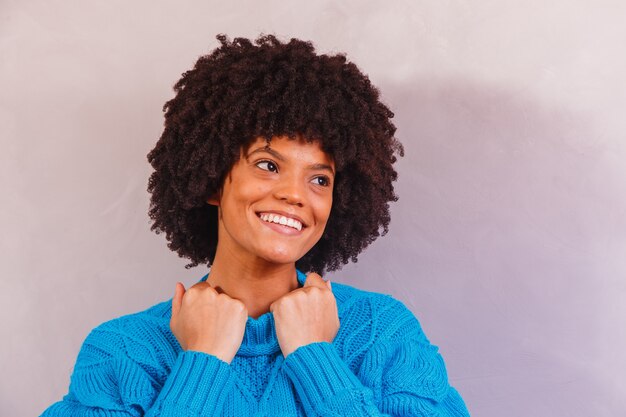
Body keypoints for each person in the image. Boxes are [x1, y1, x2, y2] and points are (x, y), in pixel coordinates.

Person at [41, 34, 471, 416]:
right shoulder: (123, 352)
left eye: (319, 179)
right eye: (268, 165)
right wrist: (202, 362)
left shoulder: (382, 334)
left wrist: (316, 356)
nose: (296, 194)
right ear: (212, 180)